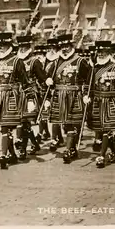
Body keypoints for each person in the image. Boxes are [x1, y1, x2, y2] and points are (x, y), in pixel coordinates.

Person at [0, 32, 35, 169]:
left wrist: (30, 99)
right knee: (3, 127)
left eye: (3, 45)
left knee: (5, 128)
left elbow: (26, 82)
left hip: (11, 98)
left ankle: (3, 154)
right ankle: (12, 154)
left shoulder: (17, 61)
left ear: (9, 46)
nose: (0, 47)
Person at [44, 33, 91, 164]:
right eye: (62, 46)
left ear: (71, 46)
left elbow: (88, 79)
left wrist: (86, 93)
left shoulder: (80, 61)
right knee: (66, 124)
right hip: (59, 96)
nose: (64, 48)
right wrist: (47, 92)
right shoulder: (55, 62)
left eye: (66, 46)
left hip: (75, 95)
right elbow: (48, 80)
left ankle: (69, 149)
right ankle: (72, 148)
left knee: (73, 123)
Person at [86, 41, 115, 168]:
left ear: (109, 53)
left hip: (110, 101)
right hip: (97, 102)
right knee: (101, 129)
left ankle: (101, 155)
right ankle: (113, 151)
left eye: (104, 52)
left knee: (106, 130)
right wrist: (86, 96)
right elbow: (88, 85)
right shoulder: (93, 69)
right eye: (99, 52)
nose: (101, 54)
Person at [14, 35, 45, 160]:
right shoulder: (14, 60)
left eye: (25, 46)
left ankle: (22, 149)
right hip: (15, 93)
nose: (22, 49)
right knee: (22, 122)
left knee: (24, 121)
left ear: (29, 47)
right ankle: (34, 143)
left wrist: (46, 87)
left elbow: (41, 76)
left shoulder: (34, 61)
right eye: (20, 46)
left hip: (29, 94)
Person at [42, 38, 64, 152]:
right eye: (50, 48)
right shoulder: (46, 59)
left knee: (56, 115)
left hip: (60, 89)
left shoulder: (60, 59)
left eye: (54, 48)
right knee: (52, 115)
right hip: (48, 88)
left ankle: (55, 138)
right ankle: (58, 137)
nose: (51, 50)